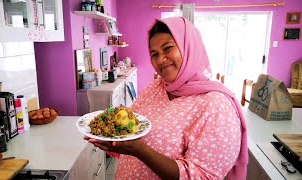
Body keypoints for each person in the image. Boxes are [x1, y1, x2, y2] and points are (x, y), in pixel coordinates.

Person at [86, 17, 248, 180]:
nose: (160, 60)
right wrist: (111, 138)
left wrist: (140, 151)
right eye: (154, 54)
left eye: (168, 48)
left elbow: (203, 176)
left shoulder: (216, 106)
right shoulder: (156, 88)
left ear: (189, 48)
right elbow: (131, 131)